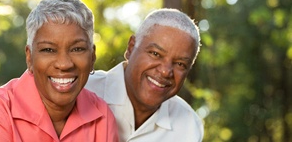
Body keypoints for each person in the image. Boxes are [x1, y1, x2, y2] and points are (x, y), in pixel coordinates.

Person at [0, 0, 118, 141]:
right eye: (48, 50)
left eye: (77, 49)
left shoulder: (102, 116)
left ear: (92, 57)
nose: (64, 64)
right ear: (29, 58)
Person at [85, 8, 204, 141]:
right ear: (131, 48)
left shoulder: (188, 126)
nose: (165, 71)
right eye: (155, 54)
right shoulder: (80, 93)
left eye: (180, 64)